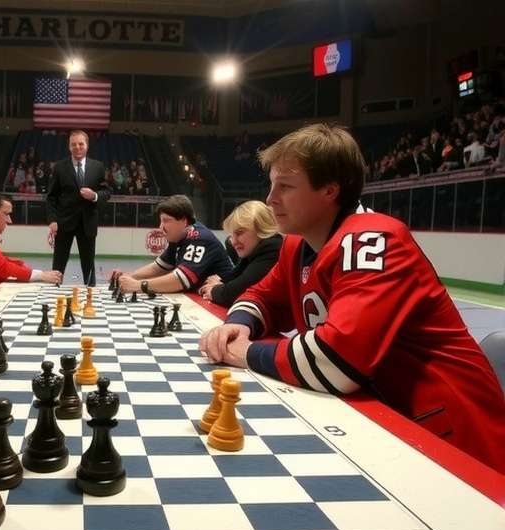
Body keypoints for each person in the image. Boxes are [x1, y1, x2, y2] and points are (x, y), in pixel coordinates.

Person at [199, 123, 505, 474]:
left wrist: (248, 352)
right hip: (387, 424)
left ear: (329, 190)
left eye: (285, 186)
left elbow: (337, 361)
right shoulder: (297, 245)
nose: (270, 199)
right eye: (271, 185)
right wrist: (239, 325)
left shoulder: (375, 240)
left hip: (457, 443)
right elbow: (262, 296)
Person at [116, 195, 233, 295]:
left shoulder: (200, 238)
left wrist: (138, 285)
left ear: (184, 221)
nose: (161, 227)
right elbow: (159, 267)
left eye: (166, 220)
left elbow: (180, 280)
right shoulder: (177, 237)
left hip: (223, 301)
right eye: (161, 221)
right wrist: (130, 276)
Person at [46, 130, 111, 286]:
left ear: (87, 145)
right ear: (69, 147)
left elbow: (107, 192)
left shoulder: (98, 167)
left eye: (81, 144)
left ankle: (90, 295)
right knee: (58, 263)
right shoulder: (59, 167)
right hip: (63, 223)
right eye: (73, 144)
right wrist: (52, 220)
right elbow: (51, 197)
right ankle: (53, 291)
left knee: (89, 264)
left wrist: (94, 195)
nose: (77, 147)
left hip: (88, 223)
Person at [198, 200, 283, 307]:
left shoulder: (273, 248)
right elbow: (233, 280)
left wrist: (214, 290)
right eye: (231, 235)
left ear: (261, 228)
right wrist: (219, 285)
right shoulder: (253, 250)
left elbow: (234, 293)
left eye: (239, 233)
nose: (233, 242)